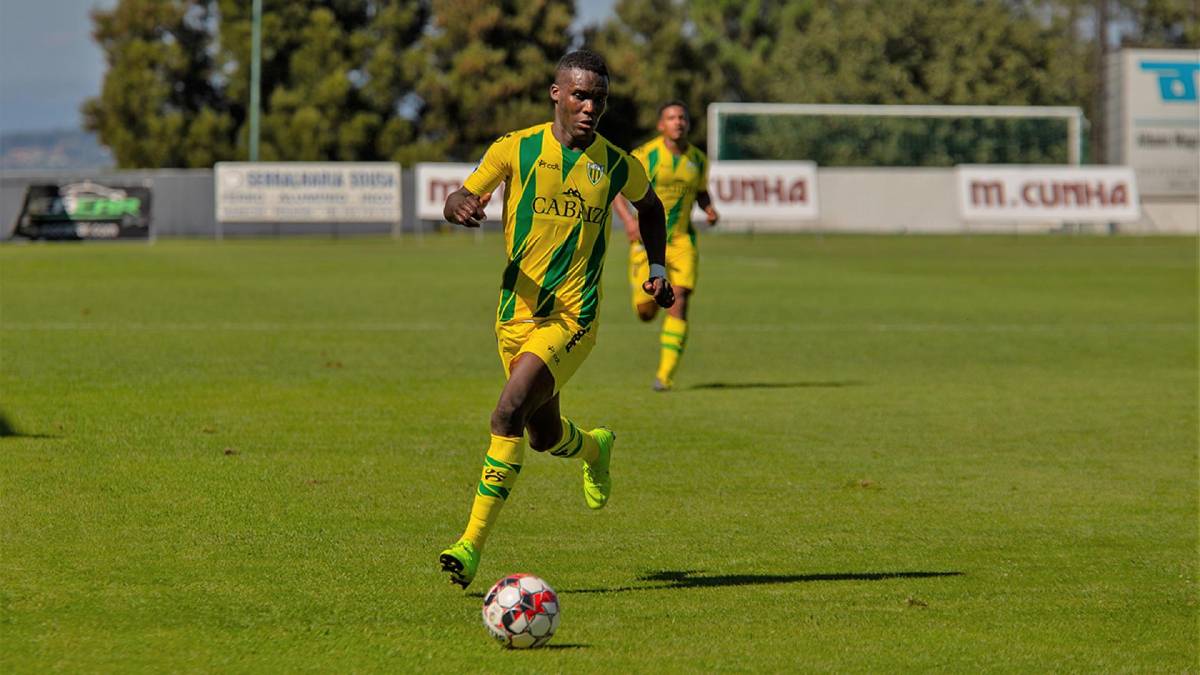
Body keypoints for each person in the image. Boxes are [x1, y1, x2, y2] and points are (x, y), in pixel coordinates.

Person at [438, 50, 673, 589]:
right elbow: (460, 195)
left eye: (599, 98)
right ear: (557, 94)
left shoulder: (617, 164)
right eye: (581, 96)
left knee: (507, 411)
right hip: (514, 315)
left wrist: (657, 267)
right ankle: (595, 447)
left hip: (573, 318)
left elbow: (651, 207)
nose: (591, 107)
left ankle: (469, 546)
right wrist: (459, 207)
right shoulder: (516, 148)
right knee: (542, 435)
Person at [614, 101, 719, 392]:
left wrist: (709, 209)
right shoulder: (645, 155)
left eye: (682, 117)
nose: (678, 122)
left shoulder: (698, 159)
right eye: (671, 118)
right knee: (646, 312)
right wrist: (629, 222)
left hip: (683, 241)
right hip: (647, 242)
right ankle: (651, 301)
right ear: (661, 125)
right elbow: (618, 190)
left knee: (680, 299)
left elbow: (701, 192)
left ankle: (665, 376)